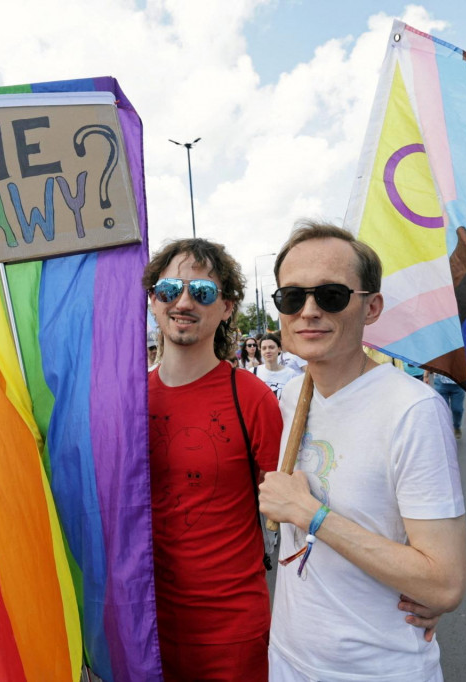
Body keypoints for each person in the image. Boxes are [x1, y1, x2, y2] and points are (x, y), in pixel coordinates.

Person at [259, 221, 466, 682]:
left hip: (378, 669)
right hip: (290, 661)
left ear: (371, 307)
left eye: (331, 295)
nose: (308, 311)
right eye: (292, 297)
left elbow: (444, 582)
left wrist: (311, 515)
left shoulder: (412, 409)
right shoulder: (294, 395)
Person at [143, 238, 282, 681]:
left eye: (201, 292)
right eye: (169, 289)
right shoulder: (125, 399)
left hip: (232, 632)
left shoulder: (253, 399)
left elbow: (294, 515)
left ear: (227, 307)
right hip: (142, 627)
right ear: (153, 300)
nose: (183, 302)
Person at [251, 333, 299, 400]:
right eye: (264, 348)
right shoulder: (253, 372)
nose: (268, 351)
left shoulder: (291, 374)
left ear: (279, 349)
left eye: (271, 347)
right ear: (260, 351)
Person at [426, 370, 465, 439]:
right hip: (441, 383)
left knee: (457, 409)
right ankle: (445, 431)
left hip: (458, 384)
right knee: (443, 410)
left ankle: (457, 426)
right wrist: (426, 375)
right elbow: (431, 359)